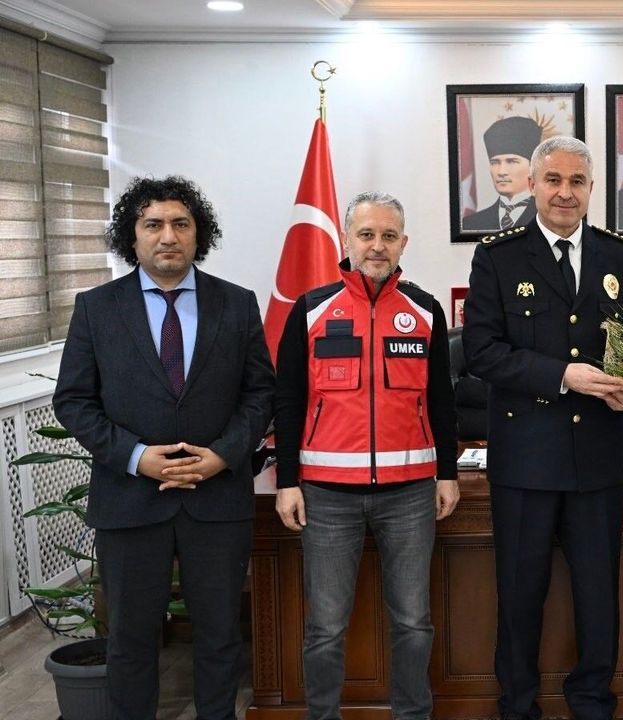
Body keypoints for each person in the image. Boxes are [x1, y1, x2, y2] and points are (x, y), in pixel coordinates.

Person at [52, 175, 274, 720]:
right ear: (133, 236)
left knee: (220, 635)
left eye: (181, 223)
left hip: (216, 499)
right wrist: (137, 458)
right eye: (153, 224)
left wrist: (222, 455)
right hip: (130, 501)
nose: (168, 236)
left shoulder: (236, 304)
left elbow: (261, 393)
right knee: (130, 639)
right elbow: (74, 401)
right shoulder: (96, 308)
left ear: (200, 234)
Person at [463, 136, 623, 720]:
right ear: (532, 185)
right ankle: (517, 706)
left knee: (598, 597)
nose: (564, 192)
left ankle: (592, 703)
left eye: (576, 182)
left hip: (598, 458)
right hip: (526, 461)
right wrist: (563, 375)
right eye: (553, 180)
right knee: (520, 596)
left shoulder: (619, 254)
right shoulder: (497, 257)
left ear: (592, 188)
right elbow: (481, 351)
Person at [273, 191, 460, 720]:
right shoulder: (311, 309)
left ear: (403, 243)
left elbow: (441, 400)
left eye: (389, 236)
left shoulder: (424, 309)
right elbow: (288, 399)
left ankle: (412, 715)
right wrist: (287, 480)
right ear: (346, 240)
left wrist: (447, 473)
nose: (378, 246)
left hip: (410, 493)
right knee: (326, 626)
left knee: (413, 622)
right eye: (367, 234)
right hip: (326, 496)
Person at [463, 116, 542, 232]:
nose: (501, 172)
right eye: (495, 162)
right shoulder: (471, 224)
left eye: (512, 161)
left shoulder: (551, 220)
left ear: (532, 166)